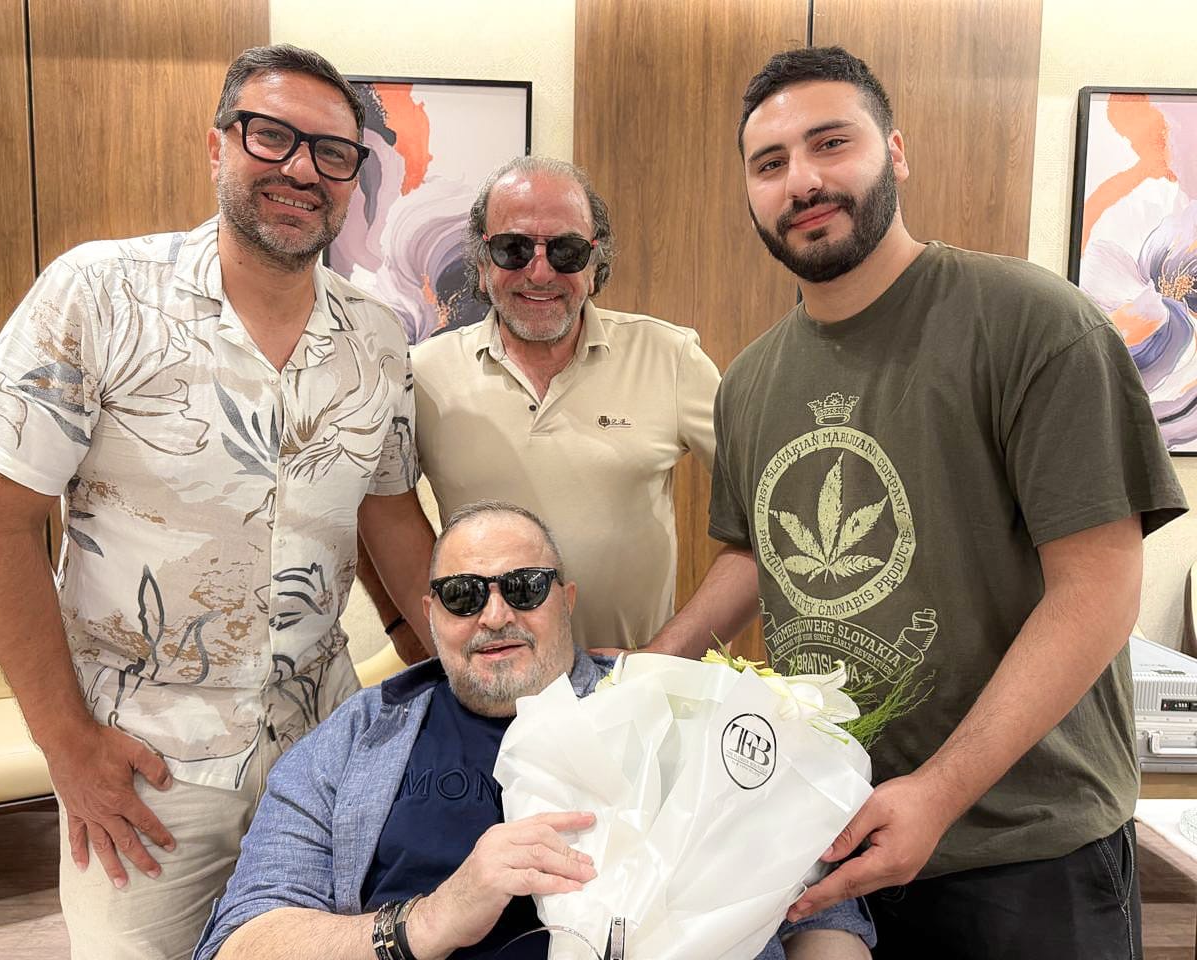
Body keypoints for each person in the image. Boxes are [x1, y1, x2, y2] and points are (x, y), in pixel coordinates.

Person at [687, 44, 1188, 957]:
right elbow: (755, 553)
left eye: (830, 143)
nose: (802, 181)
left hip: (1023, 853)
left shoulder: (1036, 324)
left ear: (896, 151)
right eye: (770, 163)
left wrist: (938, 793)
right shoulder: (750, 380)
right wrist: (652, 666)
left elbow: (1099, 588)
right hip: (829, 840)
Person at [0, 44, 435, 960]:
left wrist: (463, 667)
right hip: (142, 765)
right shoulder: (99, 295)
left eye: (333, 152)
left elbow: (391, 519)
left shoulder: (375, 337)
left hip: (322, 745)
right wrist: (66, 744)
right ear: (217, 146)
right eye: (271, 136)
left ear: (353, 179)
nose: (302, 169)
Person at [194, 499, 876, 960]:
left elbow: (824, 910)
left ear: (566, 601)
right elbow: (242, 940)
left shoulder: (673, 711)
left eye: (523, 588)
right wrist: (429, 920)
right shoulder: (355, 740)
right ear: (431, 615)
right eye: (463, 596)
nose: (495, 616)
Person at [360, 156, 725, 655]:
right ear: (483, 263)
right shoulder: (421, 376)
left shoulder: (671, 358)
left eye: (566, 251)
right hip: (486, 685)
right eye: (513, 249)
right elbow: (371, 503)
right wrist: (405, 631)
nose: (539, 272)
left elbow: (764, 509)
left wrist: (663, 659)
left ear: (594, 264)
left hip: (629, 687)